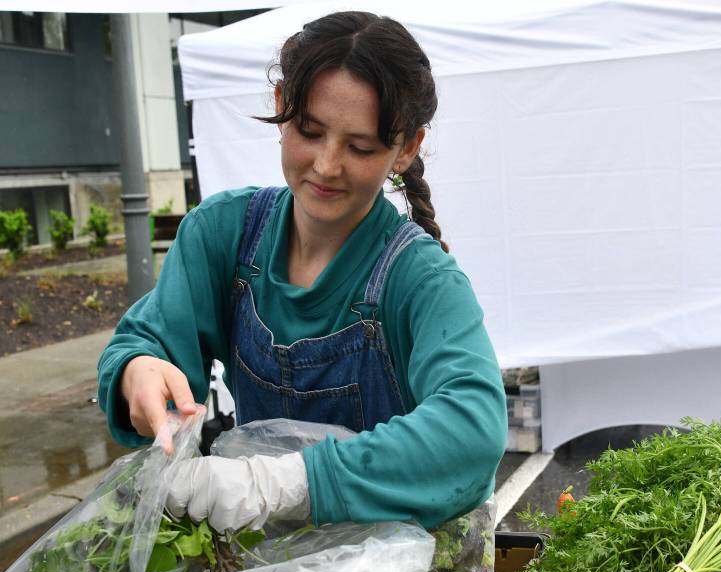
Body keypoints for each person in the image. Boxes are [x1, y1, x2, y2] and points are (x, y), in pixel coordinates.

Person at [96, 11, 507, 533]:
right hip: (264, 568)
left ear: (406, 148)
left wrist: (286, 483)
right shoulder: (222, 235)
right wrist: (137, 371)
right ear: (280, 107)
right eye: (310, 132)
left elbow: (471, 431)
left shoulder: (420, 280)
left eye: (360, 147)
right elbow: (145, 341)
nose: (327, 165)